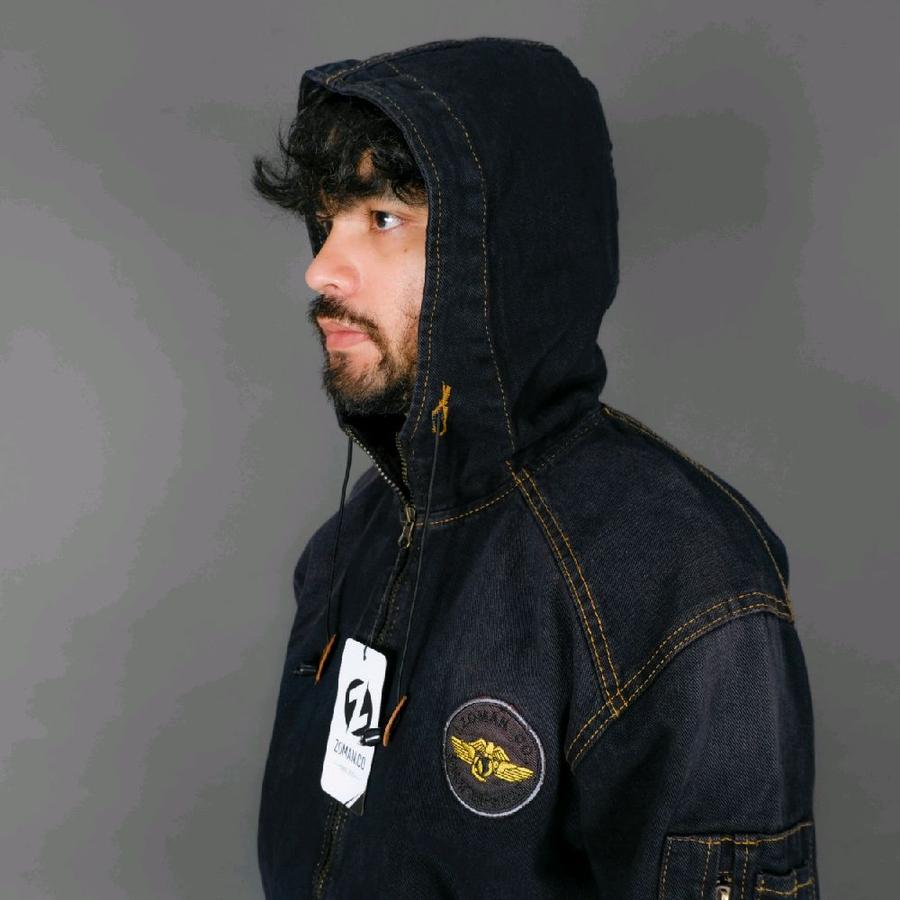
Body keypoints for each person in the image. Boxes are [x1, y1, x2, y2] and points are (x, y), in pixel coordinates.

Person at [251, 37, 820, 900]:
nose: (321, 268)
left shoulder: (685, 578)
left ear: (497, 255)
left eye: (383, 218)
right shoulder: (353, 539)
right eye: (328, 220)